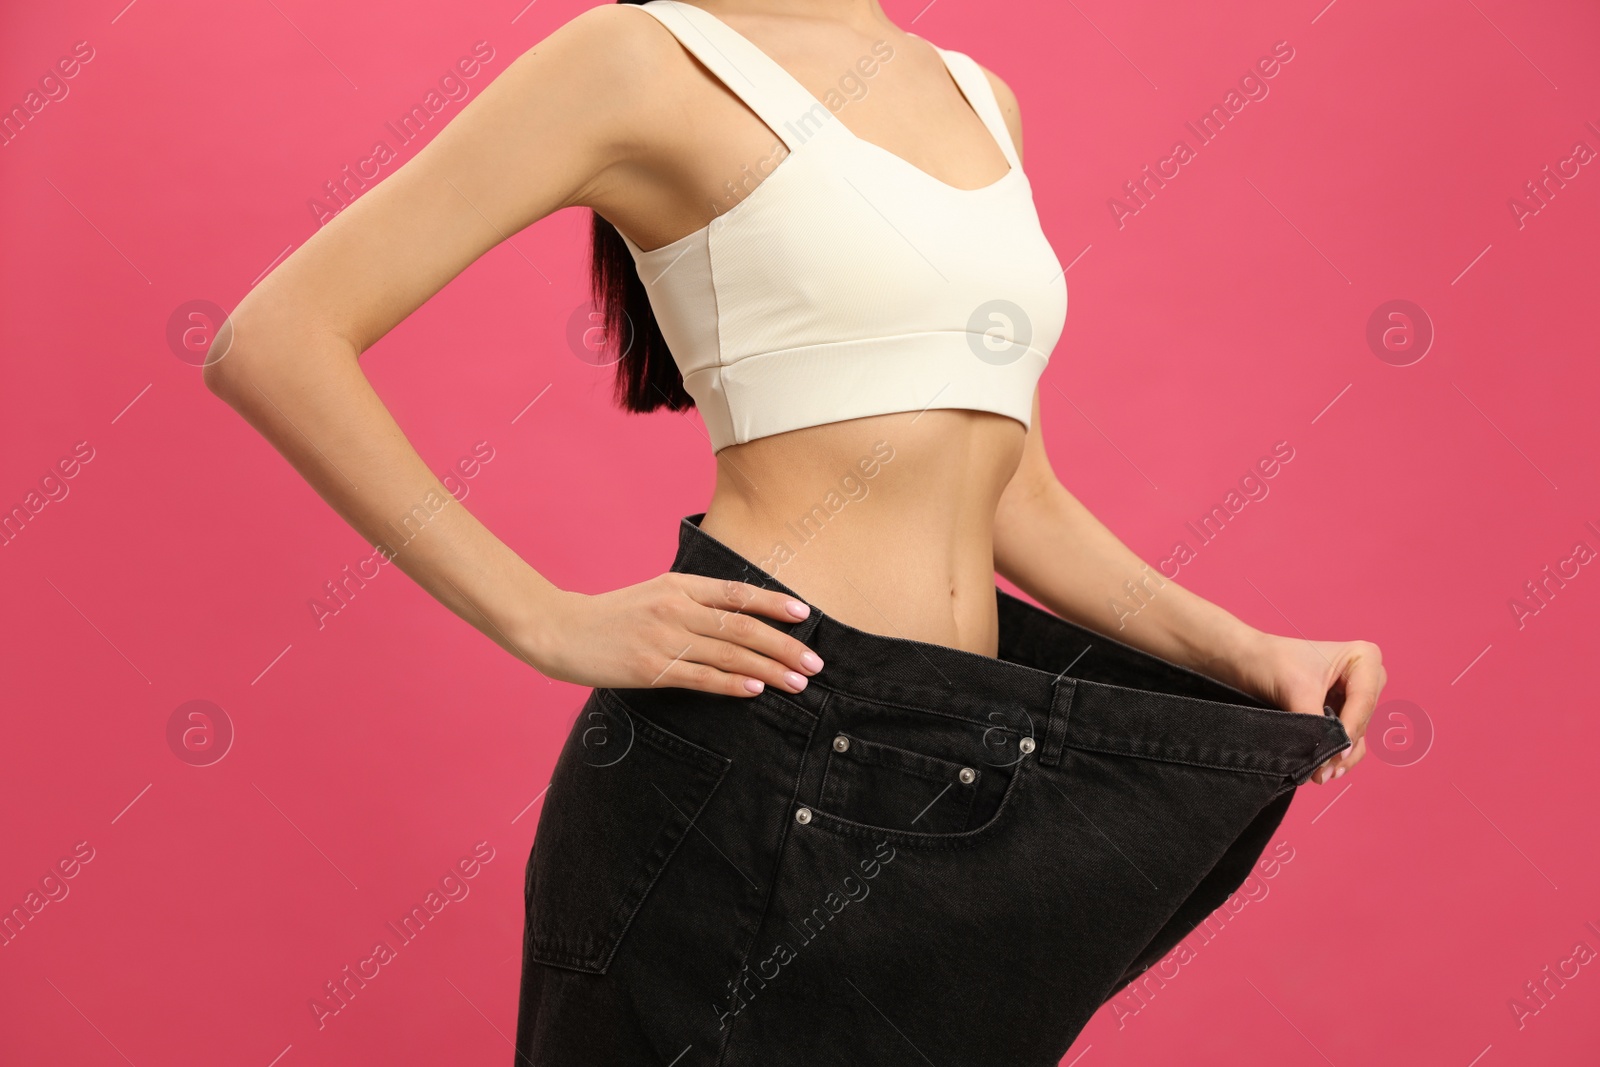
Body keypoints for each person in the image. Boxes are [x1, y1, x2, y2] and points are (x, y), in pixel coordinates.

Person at [203, 1, 1386, 1063]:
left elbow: (1011, 491)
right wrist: (541, 615)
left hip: (953, 762)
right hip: (754, 755)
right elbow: (275, 338)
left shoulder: (976, 95)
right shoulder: (640, 57)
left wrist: (1245, 653)